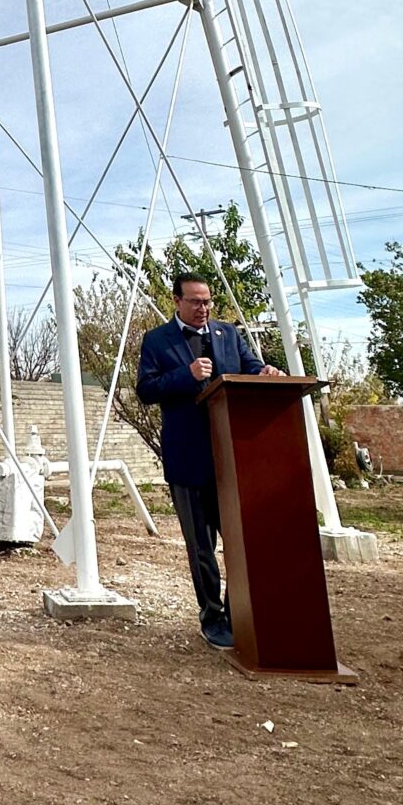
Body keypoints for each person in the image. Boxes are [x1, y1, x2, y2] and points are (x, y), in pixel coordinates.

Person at [136, 273, 282, 650]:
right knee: (201, 547)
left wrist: (264, 372)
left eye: (207, 302)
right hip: (188, 459)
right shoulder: (157, 340)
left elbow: (250, 366)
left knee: (239, 541)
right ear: (177, 301)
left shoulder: (227, 334)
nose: (203, 308)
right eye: (195, 301)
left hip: (232, 459)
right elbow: (146, 390)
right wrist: (185, 376)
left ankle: (238, 613)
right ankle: (212, 617)